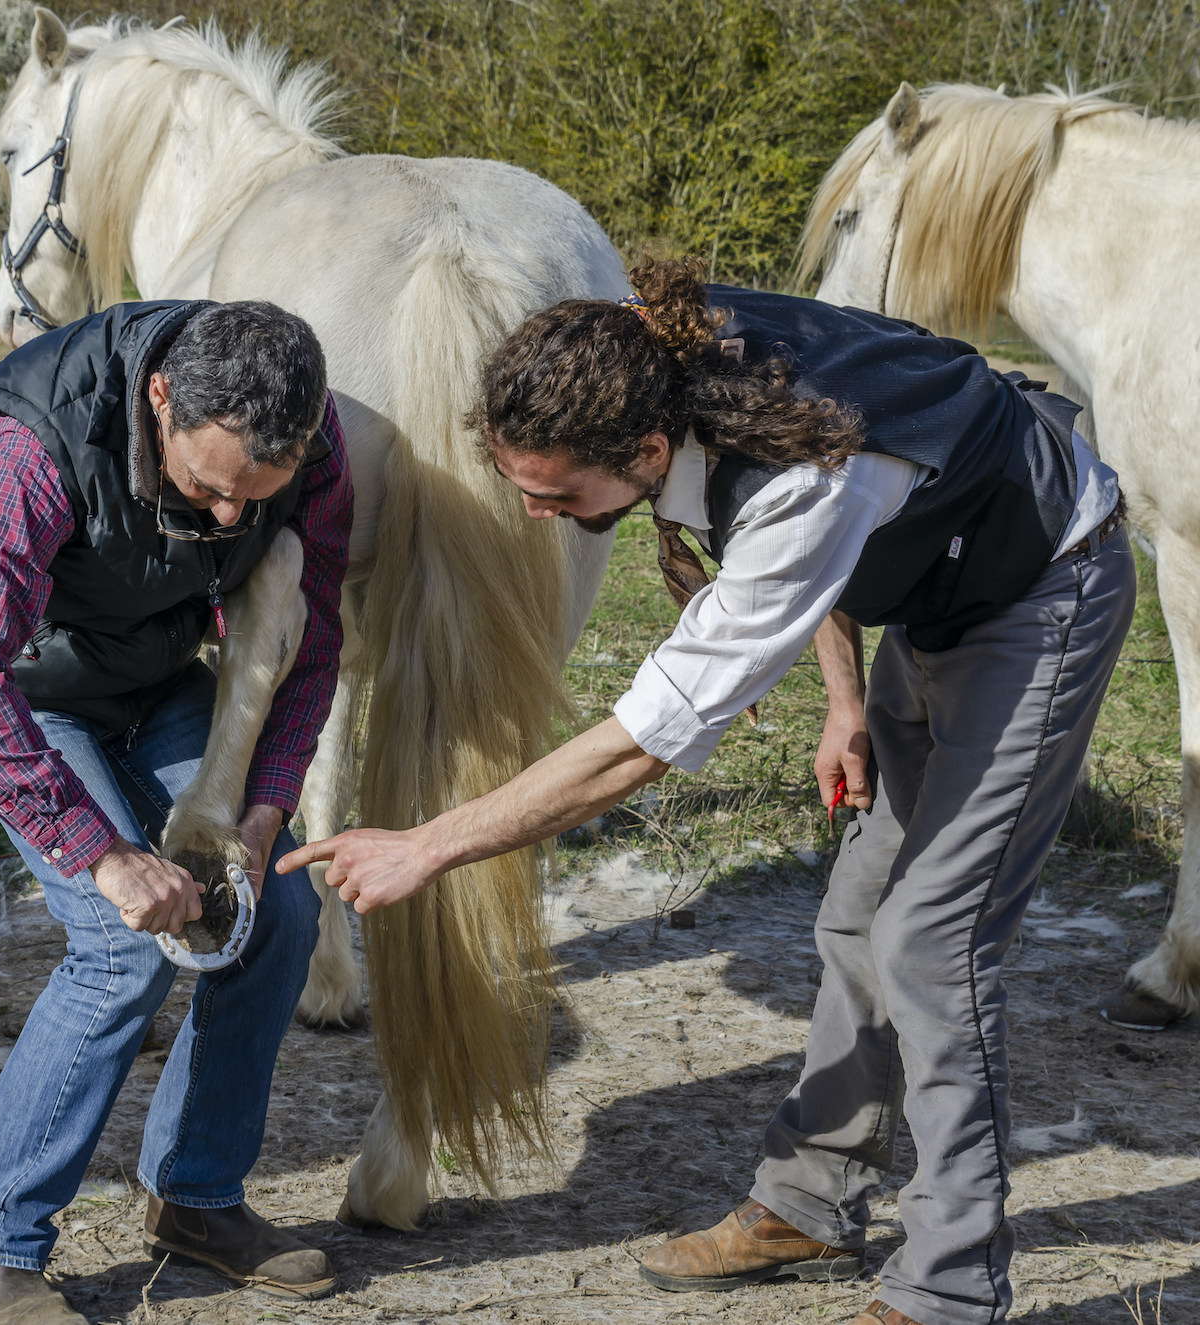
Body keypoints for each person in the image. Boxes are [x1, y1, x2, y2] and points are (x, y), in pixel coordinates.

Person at [281, 258, 1131, 1325]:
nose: (536, 515)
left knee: (930, 943)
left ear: (644, 453)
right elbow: (821, 539)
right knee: (856, 918)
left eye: (554, 494)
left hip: (1041, 587)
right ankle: (807, 1203)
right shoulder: (659, 364)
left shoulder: (794, 484)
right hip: (932, 582)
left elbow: (639, 744)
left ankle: (952, 1283)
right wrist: (841, 700)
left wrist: (428, 844)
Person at [0, 298, 350, 1325]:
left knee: (272, 905)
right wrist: (101, 853)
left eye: (260, 497)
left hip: (153, 675)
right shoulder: (32, 445)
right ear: (158, 398)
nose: (233, 520)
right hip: (23, 687)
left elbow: (311, 639)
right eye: (207, 487)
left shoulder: (310, 436)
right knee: (121, 943)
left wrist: (265, 802)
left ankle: (195, 1195)